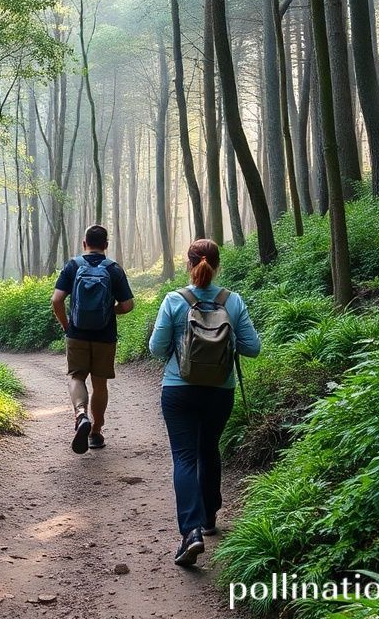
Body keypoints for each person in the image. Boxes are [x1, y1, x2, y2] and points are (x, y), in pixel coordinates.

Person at [149, 239, 260, 567]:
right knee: (209, 448)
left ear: (189, 263)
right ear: (218, 265)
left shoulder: (174, 300)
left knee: (184, 458)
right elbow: (253, 348)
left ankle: (191, 532)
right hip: (219, 391)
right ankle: (210, 517)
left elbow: (156, 348)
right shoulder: (233, 301)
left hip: (178, 390)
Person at [51, 225, 134, 454]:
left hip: (77, 333)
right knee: (100, 383)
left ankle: (80, 414)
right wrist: (109, 310)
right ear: (106, 245)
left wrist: (68, 326)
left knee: (76, 376)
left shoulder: (73, 266)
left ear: (83, 243)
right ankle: (96, 432)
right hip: (105, 336)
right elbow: (127, 305)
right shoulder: (114, 269)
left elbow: (57, 300)